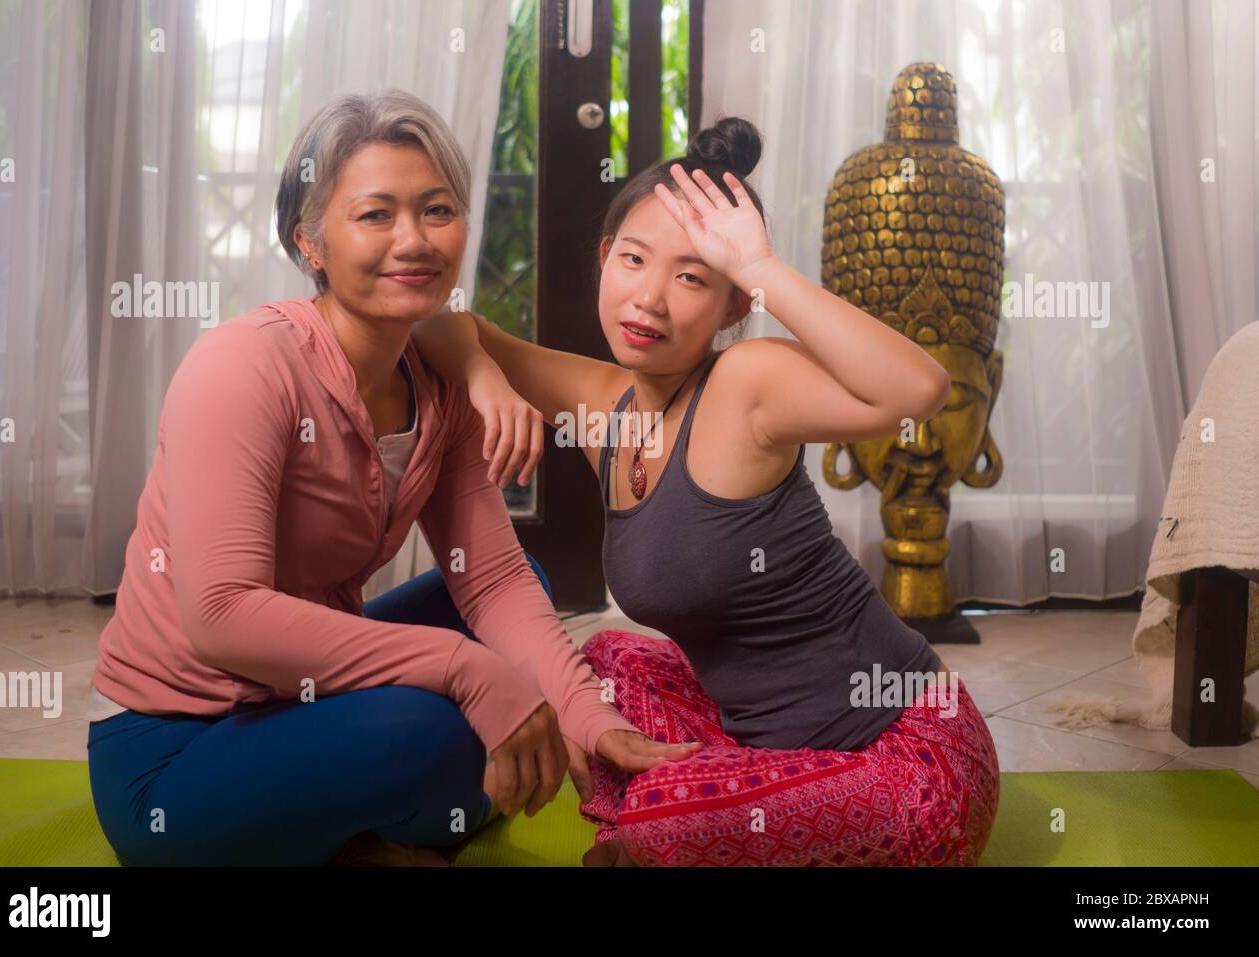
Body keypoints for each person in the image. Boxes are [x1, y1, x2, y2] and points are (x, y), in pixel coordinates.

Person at [85, 89, 698, 867]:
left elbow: (495, 578)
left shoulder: (439, 379)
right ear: (310, 242)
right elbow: (222, 613)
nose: (413, 240)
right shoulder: (241, 368)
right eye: (376, 215)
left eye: (436, 210)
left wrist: (587, 718)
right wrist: (467, 676)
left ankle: (360, 829)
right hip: (174, 751)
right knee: (441, 725)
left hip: (306, 699)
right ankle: (365, 828)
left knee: (520, 595)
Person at [411, 116, 1001, 866]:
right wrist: (484, 376)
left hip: (908, 760)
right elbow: (438, 320)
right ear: (604, 259)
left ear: (731, 305)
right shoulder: (607, 406)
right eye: (633, 259)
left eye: (691, 277)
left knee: (659, 821)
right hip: (768, 750)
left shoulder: (747, 384)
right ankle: (710, 812)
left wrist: (762, 266)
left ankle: (676, 829)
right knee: (607, 666)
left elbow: (920, 387)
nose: (649, 298)